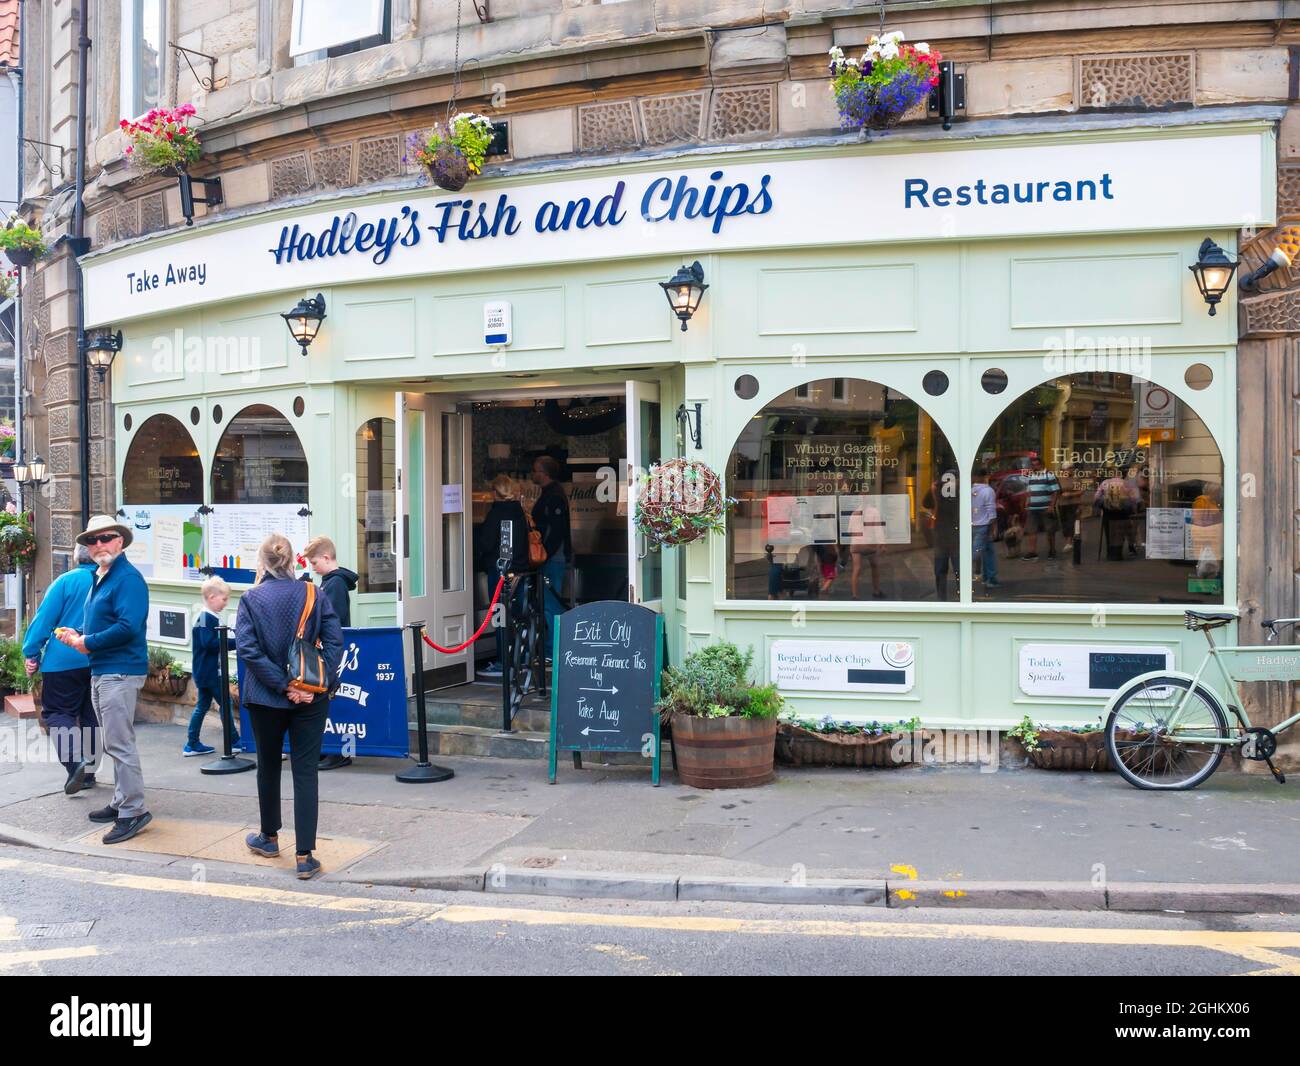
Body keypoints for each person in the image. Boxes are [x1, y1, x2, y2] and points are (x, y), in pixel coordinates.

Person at [236, 533, 343, 880]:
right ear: (294, 559)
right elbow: (334, 642)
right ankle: (304, 856)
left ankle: (268, 838)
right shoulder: (315, 592)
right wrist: (314, 685)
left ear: (263, 562)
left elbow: (248, 651)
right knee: (305, 771)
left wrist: (283, 686)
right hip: (311, 698)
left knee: (267, 765)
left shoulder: (251, 598)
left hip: (266, 697)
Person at [56, 515, 152, 845]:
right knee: (112, 742)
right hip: (104, 669)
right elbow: (107, 623)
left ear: (120, 541)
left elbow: (128, 626)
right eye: (92, 541)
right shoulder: (103, 575)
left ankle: (134, 812)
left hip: (120, 670)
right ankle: (122, 801)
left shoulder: (127, 579)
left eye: (105, 538)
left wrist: (88, 642)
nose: (98, 545)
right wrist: (79, 634)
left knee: (120, 744)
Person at [23, 545, 99, 796]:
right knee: (91, 715)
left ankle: (74, 760)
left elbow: (43, 620)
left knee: (58, 712)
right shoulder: (107, 580)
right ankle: (88, 772)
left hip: (63, 660)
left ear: (77, 556)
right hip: (98, 658)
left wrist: (31, 652)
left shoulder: (66, 581)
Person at [303, 535, 358, 770]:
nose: (313, 568)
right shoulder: (331, 582)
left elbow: (331, 619)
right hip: (328, 648)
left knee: (329, 701)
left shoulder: (333, 584)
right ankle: (327, 750)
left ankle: (336, 752)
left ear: (326, 557)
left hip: (329, 650)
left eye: (314, 563)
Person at [473, 474, 529, 677]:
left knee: (499, 616)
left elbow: (486, 544)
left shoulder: (496, 514)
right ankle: (521, 659)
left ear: (496, 493)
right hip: (520, 571)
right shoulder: (519, 512)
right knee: (518, 616)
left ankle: (502, 662)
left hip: (500, 572)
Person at [184, 576, 241, 757]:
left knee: (203, 705)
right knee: (225, 702)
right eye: (224, 599)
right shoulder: (206, 618)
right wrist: (236, 641)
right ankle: (233, 740)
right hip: (209, 672)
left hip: (204, 671)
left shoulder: (208, 617)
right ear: (211, 597)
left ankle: (192, 743)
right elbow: (209, 643)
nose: (226, 603)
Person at [530, 455, 571, 651]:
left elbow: (557, 530)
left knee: (550, 602)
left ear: (544, 474)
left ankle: (555, 649)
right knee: (547, 602)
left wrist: (543, 554)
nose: (532, 474)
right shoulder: (551, 493)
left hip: (553, 558)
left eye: (535, 470)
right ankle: (551, 647)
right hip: (552, 557)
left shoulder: (553, 496)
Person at [922, 468, 961, 601]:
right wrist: (933, 491)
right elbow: (926, 503)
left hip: (949, 536)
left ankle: (946, 598)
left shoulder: (958, 493)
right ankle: (946, 598)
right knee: (947, 569)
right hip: (948, 536)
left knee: (947, 570)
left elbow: (926, 503)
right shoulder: (942, 492)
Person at [1022, 455, 1061, 560]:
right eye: (1033, 465)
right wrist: (1027, 501)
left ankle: (1052, 550)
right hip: (1033, 508)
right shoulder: (1030, 476)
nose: (1034, 467)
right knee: (1031, 530)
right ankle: (1032, 552)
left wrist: (1052, 506)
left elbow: (1055, 491)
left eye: (1036, 465)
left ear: (1042, 465)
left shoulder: (1049, 475)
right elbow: (1029, 490)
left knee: (1050, 530)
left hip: (1046, 507)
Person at [971, 468, 1000, 589]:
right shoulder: (988, 491)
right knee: (982, 552)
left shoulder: (969, 490)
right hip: (984, 525)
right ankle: (989, 578)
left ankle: (988, 577)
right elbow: (991, 511)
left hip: (971, 524)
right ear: (984, 477)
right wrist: (994, 527)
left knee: (987, 551)